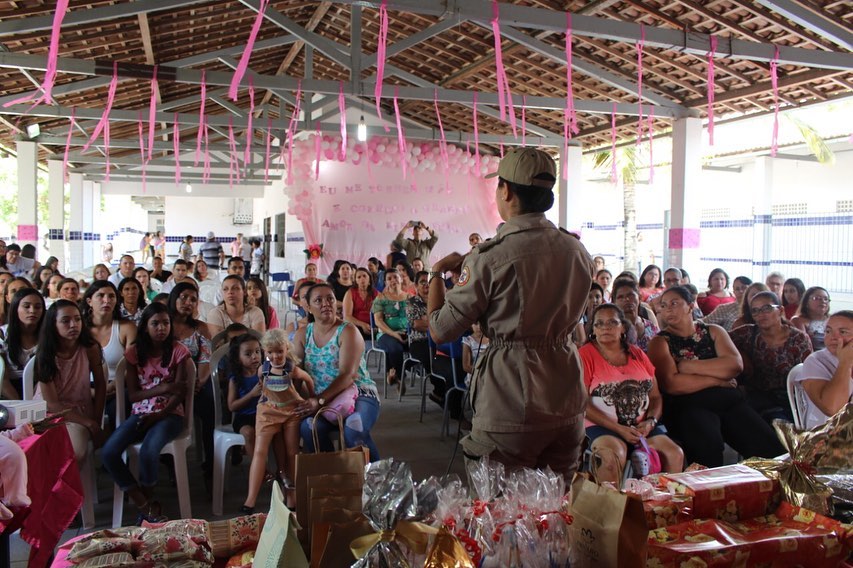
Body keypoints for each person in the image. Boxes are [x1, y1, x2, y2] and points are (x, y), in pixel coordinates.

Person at [428, 148, 594, 480]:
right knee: (557, 509)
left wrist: (436, 274)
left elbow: (440, 330)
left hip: (511, 399)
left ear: (506, 191)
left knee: (498, 516)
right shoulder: (575, 250)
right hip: (566, 396)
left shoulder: (490, 256)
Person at [647, 286, 784, 467]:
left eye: (674, 303)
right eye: (664, 306)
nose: (668, 309)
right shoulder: (660, 341)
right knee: (708, 446)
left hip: (728, 402)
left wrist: (688, 366)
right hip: (689, 406)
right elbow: (672, 384)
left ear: (690, 306)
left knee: (771, 449)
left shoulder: (713, 331)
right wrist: (717, 380)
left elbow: (734, 366)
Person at [101, 303, 193, 525]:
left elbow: (179, 392)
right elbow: (133, 395)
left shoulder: (179, 350)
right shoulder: (133, 354)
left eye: (165, 323)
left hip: (170, 414)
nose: (161, 328)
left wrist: (160, 414)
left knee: (149, 452)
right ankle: (143, 502)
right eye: (155, 323)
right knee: (109, 452)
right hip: (140, 412)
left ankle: (148, 506)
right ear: (145, 327)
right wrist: (162, 388)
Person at [580, 304, 683, 484]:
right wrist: (619, 429)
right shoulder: (585, 355)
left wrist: (650, 422)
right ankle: (612, 510)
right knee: (612, 458)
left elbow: (655, 396)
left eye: (612, 322)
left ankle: (661, 509)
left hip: (642, 426)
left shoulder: (637, 354)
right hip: (601, 426)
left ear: (623, 328)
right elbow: (581, 403)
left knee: (674, 454)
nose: (605, 327)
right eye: (599, 324)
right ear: (593, 330)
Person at [294, 283, 381, 462]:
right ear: (308, 307)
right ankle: (333, 473)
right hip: (322, 398)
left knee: (353, 429)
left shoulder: (348, 331)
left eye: (330, 299)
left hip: (359, 392)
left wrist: (318, 401)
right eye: (318, 300)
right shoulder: (303, 335)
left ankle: (378, 481)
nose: (326, 303)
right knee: (309, 428)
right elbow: (296, 372)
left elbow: (347, 375)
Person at [241, 330, 315, 513]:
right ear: (265, 352)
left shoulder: (292, 369)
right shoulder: (262, 370)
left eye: (280, 351)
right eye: (270, 352)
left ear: (286, 349)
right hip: (268, 411)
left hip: (291, 410)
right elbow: (263, 386)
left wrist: (312, 398)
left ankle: (292, 496)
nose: (275, 356)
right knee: (259, 451)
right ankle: (250, 499)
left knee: (292, 452)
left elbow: (307, 378)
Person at [33, 300, 107, 464]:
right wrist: (90, 423)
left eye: (77, 319)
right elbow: (52, 404)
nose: (73, 325)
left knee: (74, 451)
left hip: (78, 412)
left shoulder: (90, 348)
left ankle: (65, 488)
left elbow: (101, 385)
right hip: (46, 412)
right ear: (53, 325)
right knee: (39, 450)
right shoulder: (45, 354)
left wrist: (96, 419)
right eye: (65, 321)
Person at [729, 291, 813, 423]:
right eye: (755, 311)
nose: (761, 314)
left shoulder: (799, 339)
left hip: (791, 400)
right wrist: (740, 355)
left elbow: (809, 375)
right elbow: (716, 339)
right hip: (755, 399)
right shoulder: (746, 333)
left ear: (780, 310)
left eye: (766, 308)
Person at [167, 282, 213, 479]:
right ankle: (169, 463)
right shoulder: (162, 324)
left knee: (210, 403)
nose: (188, 302)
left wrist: (198, 382)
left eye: (193, 299)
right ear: (174, 298)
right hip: (166, 383)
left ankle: (211, 464)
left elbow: (205, 358)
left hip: (195, 382)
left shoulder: (200, 328)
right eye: (183, 297)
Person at [82, 281, 137, 426]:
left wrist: (111, 386)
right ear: (89, 301)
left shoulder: (126, 327)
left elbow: (133, 364)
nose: (106, 300)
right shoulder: (80, 330)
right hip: (85, 387)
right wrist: (92, 391)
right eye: (100, 296)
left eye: (111, 296)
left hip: (118, 385)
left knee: (119, 408)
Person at [796, 311, 853, 430]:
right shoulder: (815, 361)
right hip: (829, 437)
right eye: (828, 331)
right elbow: (832, 409)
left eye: (843, 332)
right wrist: (845, 363)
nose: (833, 337)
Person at [0, 288, 45, 399]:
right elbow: (2, 379)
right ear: (16, 308)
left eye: (38, 307)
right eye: (26, 306)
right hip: (8, 392)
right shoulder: (2, 334)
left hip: (42, 390)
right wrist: (22, 405)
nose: (32, 311)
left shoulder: (49, 336)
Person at [372, 271, 410, 386]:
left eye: (395, 277)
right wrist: (395, 334)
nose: (393, 280)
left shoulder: (410, 297)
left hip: (407, 332)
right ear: (385, 282)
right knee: (395, 349)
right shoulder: (380, 298)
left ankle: (393, 369)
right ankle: (400, 377)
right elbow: (378, 321)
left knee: (422, 350)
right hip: (386, 334)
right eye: (389, 278)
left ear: (401, 279)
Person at [611, 278, 659, 352]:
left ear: (639, 298)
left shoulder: (651, 327)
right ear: (614, 302)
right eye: (620, 297)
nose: (626, 299)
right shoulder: (612, 329)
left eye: (631, 295)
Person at [405, 271, 432, 375]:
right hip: (419, 342)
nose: (427, 284)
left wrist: (426, 320)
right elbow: (417, 325)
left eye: (429, 281)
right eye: (423, 282)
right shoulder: (411, 302)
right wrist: (436, 324)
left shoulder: (439, 301)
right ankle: (438, 389)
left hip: (437, 340)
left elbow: (447, 322)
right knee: (430, 357)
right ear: (416, 285)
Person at [792, 286, 831, 350]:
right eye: (817, 298)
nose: (823, 301)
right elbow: (803, 346)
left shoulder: (833, 320)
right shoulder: (798, 320)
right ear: (806, 302)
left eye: (826, 299)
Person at [342, 267, 377, 339]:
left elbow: (381, 313)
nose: (362, 279)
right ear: (356, 281)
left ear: (369, 279)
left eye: (364, 276)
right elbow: (347, 317)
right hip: (355, 326)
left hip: (373, 326)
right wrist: (362, 324)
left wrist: (376, 326)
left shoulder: (376, 293)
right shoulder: (350, 293)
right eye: (359, 277)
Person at [462, 321, 489, 386]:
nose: (479, 327)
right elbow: (466, 367)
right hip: (475, 376)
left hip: (489, 374)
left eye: (481, 324)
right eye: (476, 324)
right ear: (471, 325)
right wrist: (482, 374)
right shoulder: (468, 341)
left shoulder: (492, 340)